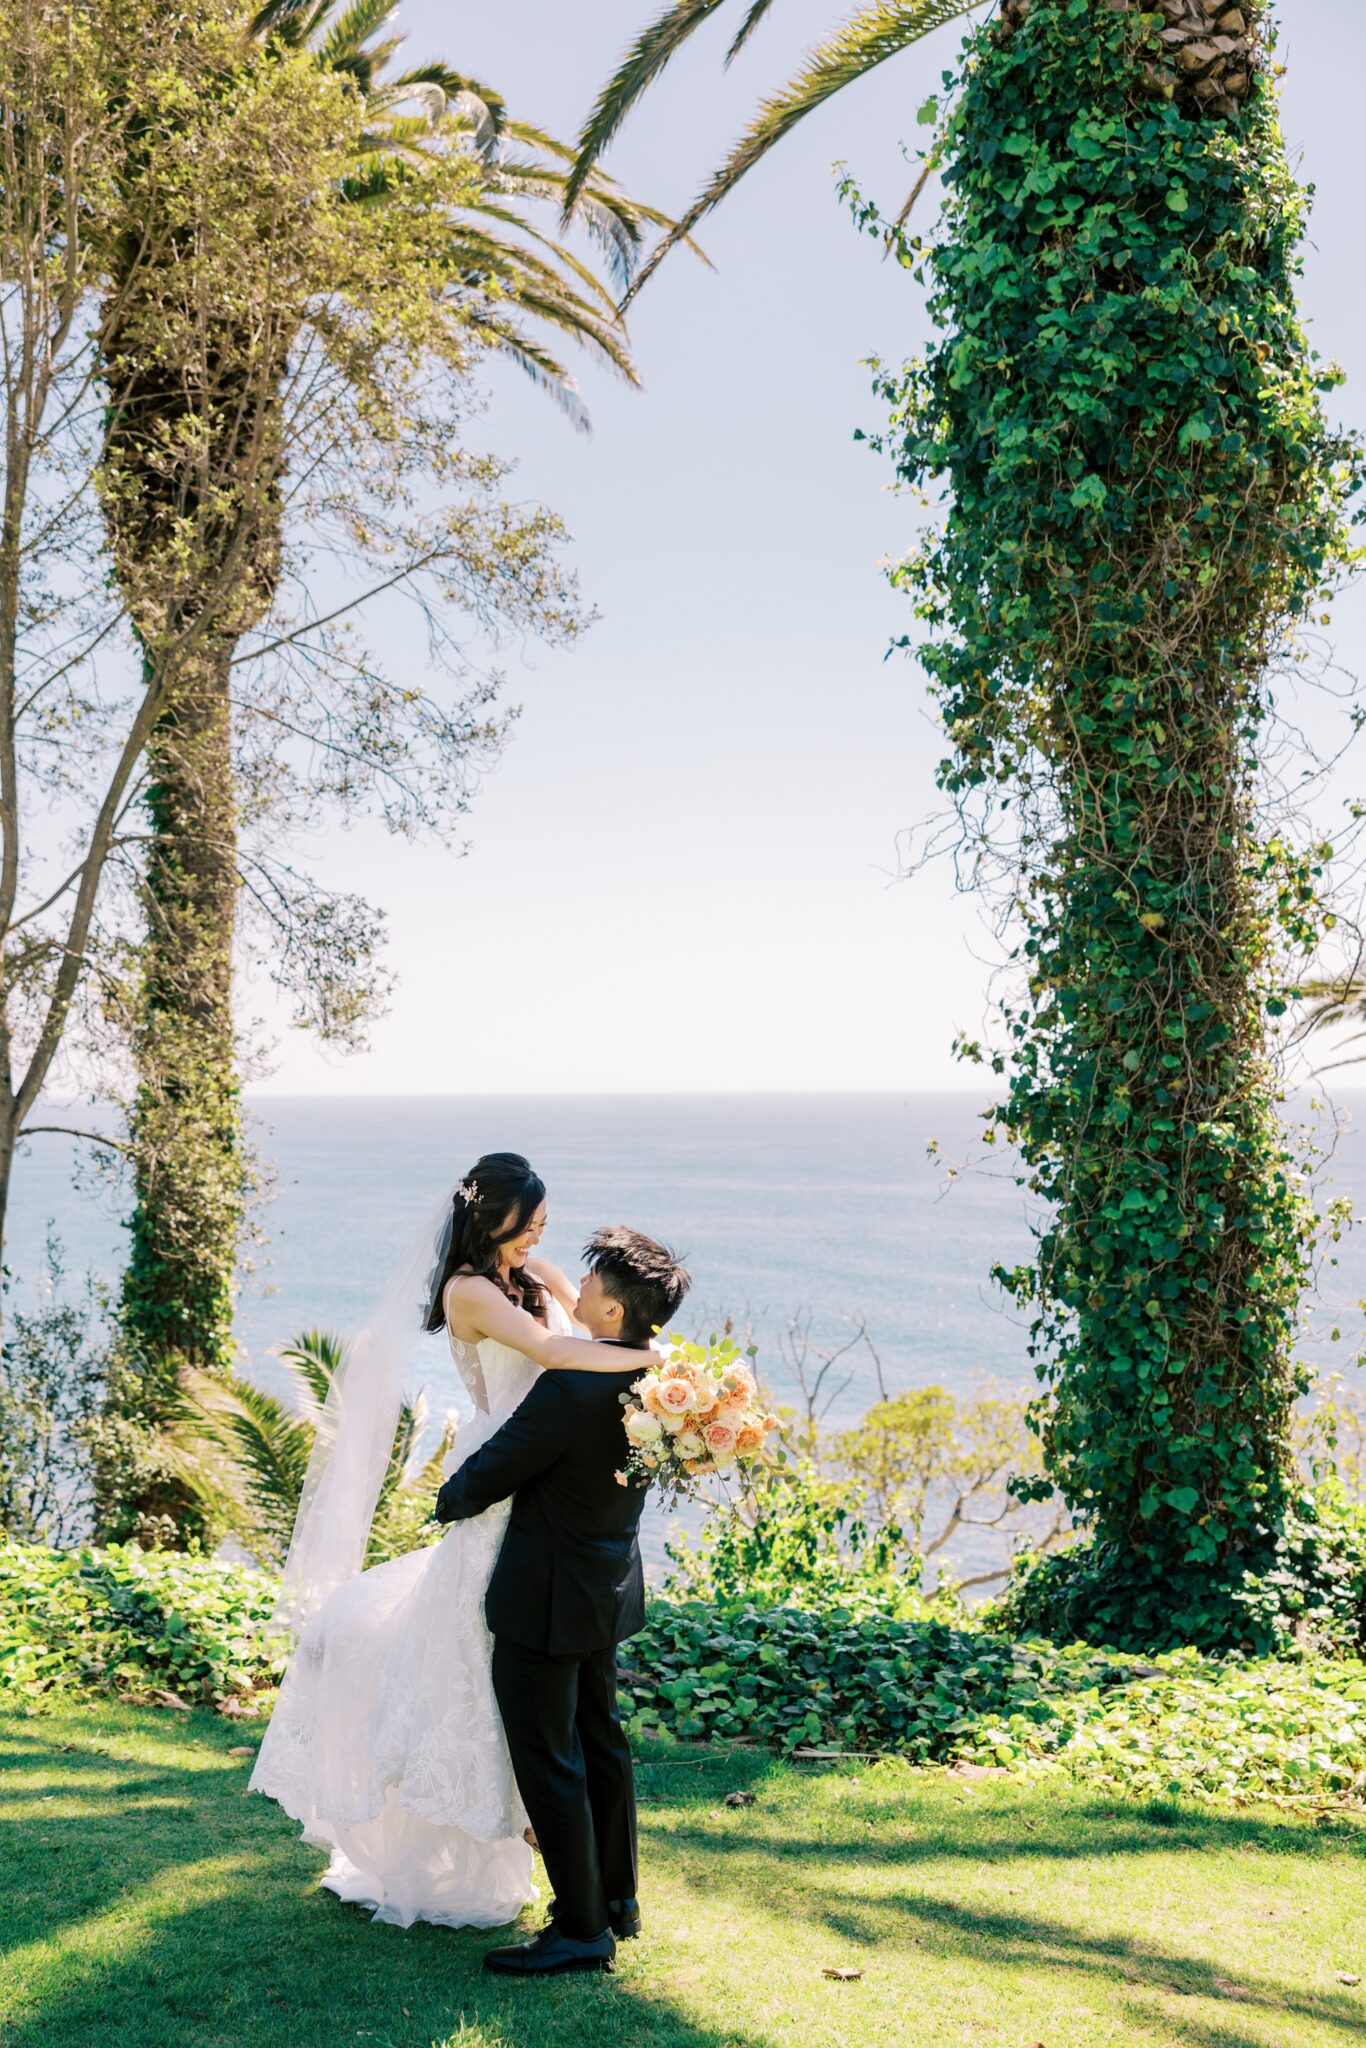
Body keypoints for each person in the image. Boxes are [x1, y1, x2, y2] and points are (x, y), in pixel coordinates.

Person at [249, 1154, 662, 1932]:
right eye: (526, 1226)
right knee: (477, 1675)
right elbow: (558, 1354)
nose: (537, 1239)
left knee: (539, 1696)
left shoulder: (531, 1270)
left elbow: (592, 1321)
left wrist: (650, 1358)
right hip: (508, 1469)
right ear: (487, 1222)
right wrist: (657, 1363)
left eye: (542, 1225)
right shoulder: (467, 1290)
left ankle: (592, 1891)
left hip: (549, 1478)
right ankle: (566, 1884)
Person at [435, 1224, 691, 1977]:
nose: (578, 1295)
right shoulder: (658, 1381)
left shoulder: (574, 1383)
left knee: (550, 1759)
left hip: (545, 1597)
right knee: (601, 1743)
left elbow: (501, 1466)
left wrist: (447, 1499)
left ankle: (580, 1930)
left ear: (610, 1314)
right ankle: (617, 1901)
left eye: (592, 1288)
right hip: (607, 1588)